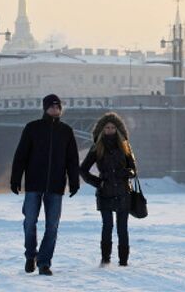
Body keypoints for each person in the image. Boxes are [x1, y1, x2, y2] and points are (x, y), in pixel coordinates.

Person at [10, 94, 80, 276]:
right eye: (52, 106)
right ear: (45, 108)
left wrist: (74, 182)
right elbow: (21, 156)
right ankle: (30, 255)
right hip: (34, 184)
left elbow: (72, 159)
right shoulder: (32, 128)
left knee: (52, 226)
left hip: (56, 186)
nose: (55, 110)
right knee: (30, 222)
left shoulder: (66, 131)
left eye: (58, 107)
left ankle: (44, 263)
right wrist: (15, 179)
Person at [80, 112, 137, 267]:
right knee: (107, 226)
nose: (110, 130)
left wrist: (125, 173)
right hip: (105, 193)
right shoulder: (97, 147)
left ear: (117, 129)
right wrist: (98, 183)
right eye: (107, 127)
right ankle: (105, 259)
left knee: (122, 228)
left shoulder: (125, 146)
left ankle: (124, 261)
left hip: (123, 192)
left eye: (113, 127)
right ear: (102, 129)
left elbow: (133, 169)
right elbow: (83, 170)